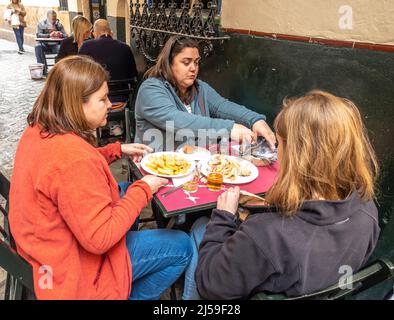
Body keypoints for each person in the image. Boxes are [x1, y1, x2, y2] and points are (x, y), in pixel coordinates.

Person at [9, 55, 192, 300]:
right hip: (73, 269)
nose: (110, 104)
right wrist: (145, 188)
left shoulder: (39, 130)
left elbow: (66, 172)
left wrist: (116, 150)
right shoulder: (73, 159)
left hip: (42, 245)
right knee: (183, 246)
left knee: (125, 190)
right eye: (102, 99)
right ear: (76, 104)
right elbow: (100, 239)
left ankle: (131, 252)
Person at [182, 91, 381, 300]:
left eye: (280, 144)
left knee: (200, 227)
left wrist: (223, 217)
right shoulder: (367, 211)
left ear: (296, 154)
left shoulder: (265, 234)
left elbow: (210, 285)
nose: (277, 152)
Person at [134, 36, 276, 152]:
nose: (193, 68)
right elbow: (177, 121)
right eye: (186, 62)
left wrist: (255, 120)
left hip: (195, 162)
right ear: (169, 64)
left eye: (196, 62)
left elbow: (223, 106)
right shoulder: (151, 89)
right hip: (157, 167)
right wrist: (229, 128)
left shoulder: (200, 88)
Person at [79, 19, 138, 101]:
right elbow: (133, 74)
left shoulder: (86, 46)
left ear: (95, 32)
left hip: (94, 100)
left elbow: (80, 74)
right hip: (121, 98)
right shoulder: (125, 48)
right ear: (110, 31)